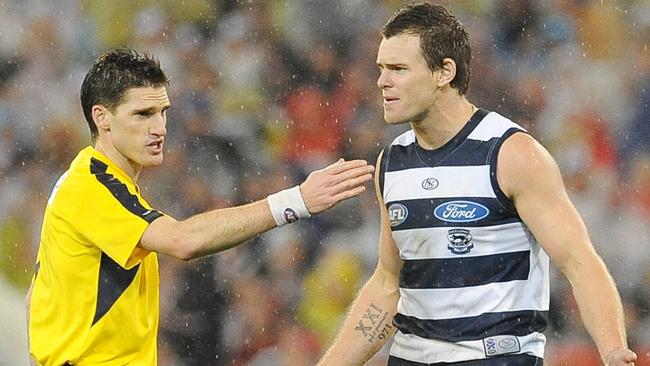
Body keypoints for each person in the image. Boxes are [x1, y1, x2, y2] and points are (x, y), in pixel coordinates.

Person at [318, 3, 636, 366]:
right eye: (381, 69)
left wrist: (612, 350)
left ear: (444, 72)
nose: (382, 81)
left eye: (398, 69)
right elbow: (389, 283)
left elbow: (579, 262)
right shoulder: (391, 162)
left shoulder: (511, 154)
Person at [25, 48, 374, 366]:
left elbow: (35, 297)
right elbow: (182, 241)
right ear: (102, 117)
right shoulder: (92, 185)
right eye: (143, 114)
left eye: (163, 112)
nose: (159, 127)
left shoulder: (94, 183)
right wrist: (294, 201)